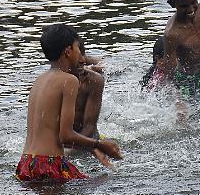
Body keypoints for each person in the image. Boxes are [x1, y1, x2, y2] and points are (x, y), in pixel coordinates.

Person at [16, 24, 121, 182]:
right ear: (68, 51)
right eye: (78, 48)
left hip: (26, 163)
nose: (81, 55)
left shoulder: (39, 80)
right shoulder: (69, 80)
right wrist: (100, 144)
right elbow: (65, 135)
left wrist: (92, 148)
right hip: (49, 163)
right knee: (106, 181)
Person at [71, 39, 105, 140]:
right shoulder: (51, 83)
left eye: (83, 56)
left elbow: (89, 127)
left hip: (86, 140)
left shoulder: (92, 80)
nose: (82, 60)